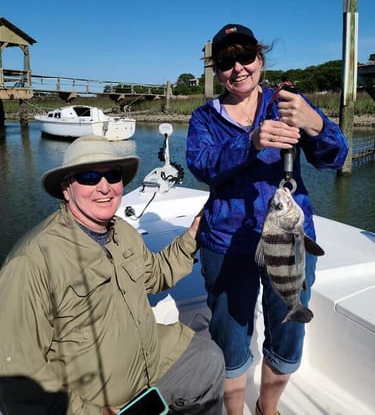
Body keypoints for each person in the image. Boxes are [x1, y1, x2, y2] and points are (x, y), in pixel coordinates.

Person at [186, 23, 349, 415]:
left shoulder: (287, 102)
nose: (237, 68)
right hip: (227, 245)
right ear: (217, 70)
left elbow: (335, 158)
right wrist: (250, 141)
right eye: (226, 61)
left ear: (260, 59)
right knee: (229, 338)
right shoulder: (204, 118)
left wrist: (315, 123)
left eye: (245, 57)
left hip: (290, 238)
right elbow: (201, 165)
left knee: (290, 332)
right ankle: (235, 411)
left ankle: (268, 408)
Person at [0, 135, 225, 415]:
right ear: (66, 188)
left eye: (112, 175)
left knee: (208, 360)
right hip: (92, 401)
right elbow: (18, 375)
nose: (104, 187)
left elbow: (155, 275)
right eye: (89, 176)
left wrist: (192, 234)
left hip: (150, 360)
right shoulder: (31, 261)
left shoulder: (123, 232)